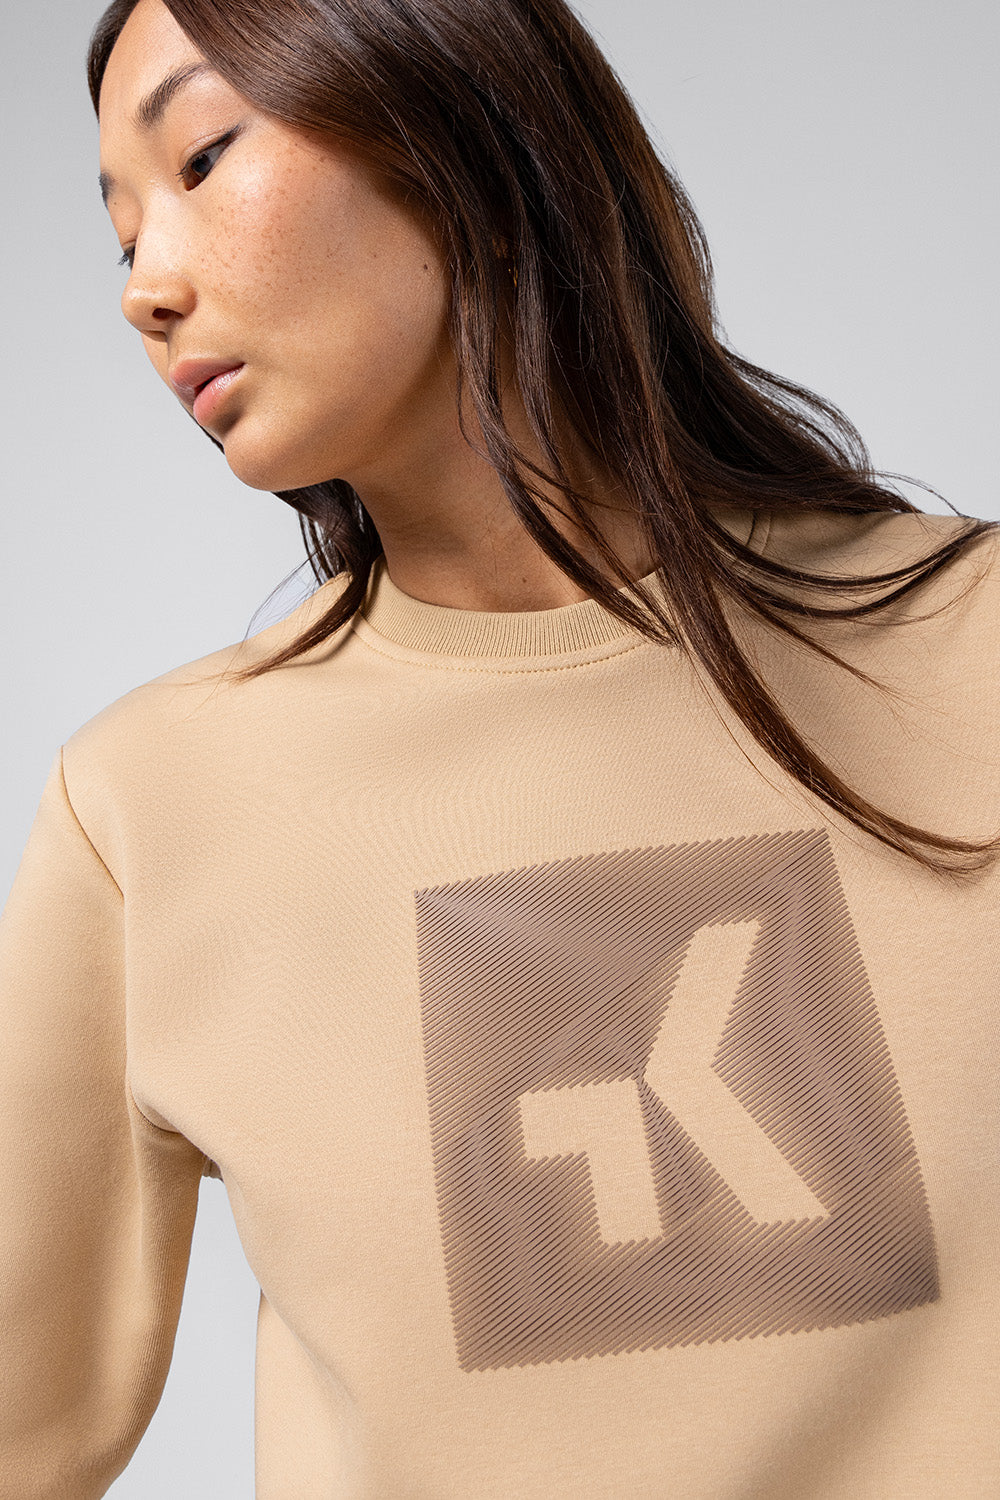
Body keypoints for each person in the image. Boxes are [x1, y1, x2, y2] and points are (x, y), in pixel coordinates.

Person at [1, 0, 998, 1493]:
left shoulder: (976, 645)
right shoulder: (145, 808)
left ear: (450, 112)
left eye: (202, 157)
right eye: (121, 236)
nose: (145, 288)